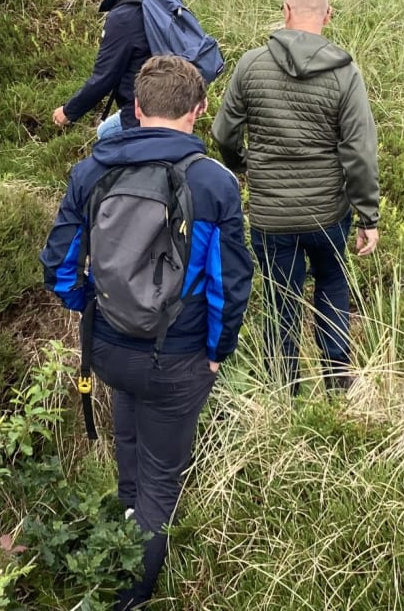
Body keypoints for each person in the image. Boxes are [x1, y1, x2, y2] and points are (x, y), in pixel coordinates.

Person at [41, 56, 252, 609]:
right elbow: (230, 284)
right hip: (179, 358)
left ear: (136, 108)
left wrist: (89, 307)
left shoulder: (91, 171)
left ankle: (123, 531)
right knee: (162, 478)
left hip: (108, 347)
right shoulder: (214, 183)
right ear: (199, 110)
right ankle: (134, 594)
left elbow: (58, 265)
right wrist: (216, 353)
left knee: (129, 443)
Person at [212, 0, 379, 394]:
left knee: (280, 300)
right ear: (328, 14)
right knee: (332, 287)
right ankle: (337, 382)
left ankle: (283, 391)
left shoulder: (251, 64)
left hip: (272, 215)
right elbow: (360, 150)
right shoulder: (345, 71)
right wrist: (367, 215)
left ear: (285, 10)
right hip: (328, 214)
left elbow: (223, 133)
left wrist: (244, 165)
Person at [52, 0, 157, 142]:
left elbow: (104, 77)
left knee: (105, 135)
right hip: (179, 97)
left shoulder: (122, 17)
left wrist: (69, 111)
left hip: (149, 107)